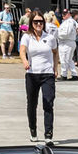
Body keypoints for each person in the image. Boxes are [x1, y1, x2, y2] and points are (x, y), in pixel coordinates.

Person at [20, 12, 57, 143]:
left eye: (41, 21)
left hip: (47, 74)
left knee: (48, 102)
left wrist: (55, 69)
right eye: (35, 22)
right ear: (31, 24)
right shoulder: (27, 37)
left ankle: (48, 134)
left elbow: (55, 52)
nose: (39, 24)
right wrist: (25, 61)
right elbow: (22, 51)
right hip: (32, 74)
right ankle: (33, 130)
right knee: (32, 103)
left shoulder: (50, 38)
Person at [56, 9, 78, 82]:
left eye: (65, 14)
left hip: (66, 42)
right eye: (63, 14)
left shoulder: (69, 22)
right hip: (67, 42)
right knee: (68, 59)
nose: (63, 15)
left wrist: (57, 35)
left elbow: (66, 33)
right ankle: (74, 74)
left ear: (68, 14)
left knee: (64, 59)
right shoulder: (70, 21)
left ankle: (64, 74)